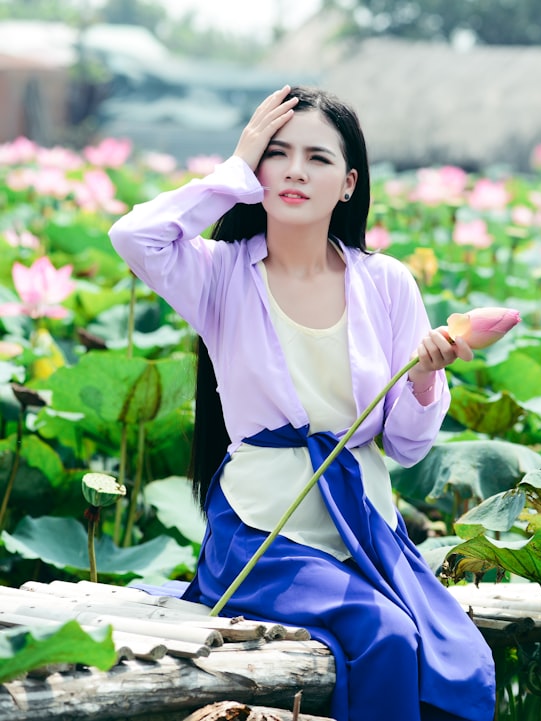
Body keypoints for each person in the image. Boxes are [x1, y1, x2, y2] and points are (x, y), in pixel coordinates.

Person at [109, 85, 496, 721]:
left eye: (317, 158)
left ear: (348, 184)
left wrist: (425, 382)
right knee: (388, 636)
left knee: (460, 653)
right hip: (263, 531)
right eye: (276, 153)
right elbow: (134, 235)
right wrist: (233, 167)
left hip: (366, 528)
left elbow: (403, 445)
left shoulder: (386, 282)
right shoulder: (220, 273)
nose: (294, 170)